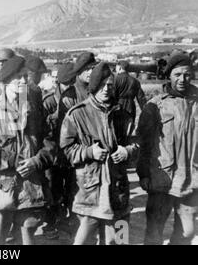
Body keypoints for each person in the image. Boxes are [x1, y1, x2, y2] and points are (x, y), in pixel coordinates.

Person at [0, 56, 56, 245]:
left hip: (29, 187)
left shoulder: (34, 110)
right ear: (6, 81)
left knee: (27, 239)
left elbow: (49, 143)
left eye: (26, 76)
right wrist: (14, 161)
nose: (24, 81)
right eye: (19, 77)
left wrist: (36, 161)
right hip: (1, 189)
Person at [60, 62, 138, 245]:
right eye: (101, 85)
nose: (105, 90)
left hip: (118, 188)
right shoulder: (77, 115)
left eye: (109, 85)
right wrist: (88, 152)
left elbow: (137, 144)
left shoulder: (123, 115)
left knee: (120, 239)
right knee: (84, 239)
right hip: (90, 189)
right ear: (93, 87)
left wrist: (127, 151)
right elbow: (66, 150)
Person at [137, 53, 198, 245]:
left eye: (187, 75)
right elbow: (143, 145)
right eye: (177, 74)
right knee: (154, 233)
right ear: (169, 76)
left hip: (191, 179)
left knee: (187, 232)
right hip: (162, 179)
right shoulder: (155, 106)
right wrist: (144, 175)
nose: (182, 79)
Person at [57, 52, 98, 233]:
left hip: (95, 152)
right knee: (75, 191)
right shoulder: (69, 96)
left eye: (92, 68)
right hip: (77, 153)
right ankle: (75, 225)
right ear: (79, 72)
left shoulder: (98, 90)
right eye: (86, 69)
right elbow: (63, 132)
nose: (90, 73)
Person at [41, 63, 76, 239]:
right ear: (58, 83)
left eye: (72, 82)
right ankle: (50, 223)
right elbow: (42, 132)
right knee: (52, 190)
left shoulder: (77, 99)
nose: (69, 86)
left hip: (70, 155)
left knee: (70, 190)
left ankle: (66, 223)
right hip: (53, 155)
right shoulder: (48, 102)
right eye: (66, 83)